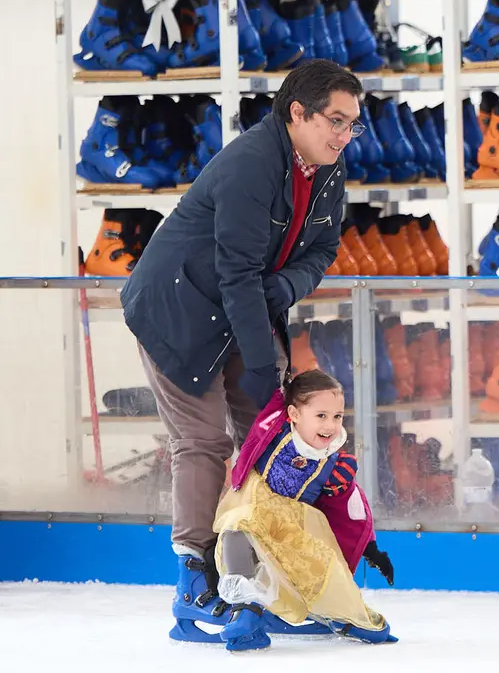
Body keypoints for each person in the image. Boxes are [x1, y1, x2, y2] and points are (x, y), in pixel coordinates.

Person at [120, 59, 363, 642]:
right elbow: (236, 274)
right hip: (177, 312)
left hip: (242, 310)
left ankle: (267, 582)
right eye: (335, 120)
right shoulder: (252, 164)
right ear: (296, 113)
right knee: (205, 441)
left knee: (276, 442)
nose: (344, 135)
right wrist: (261, 361)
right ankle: (195, 586)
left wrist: (287, 287)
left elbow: (323, 248)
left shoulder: (327, 166)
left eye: (353, 123)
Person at [213, 370, 396, 650]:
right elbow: (259, 378)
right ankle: (245, 610)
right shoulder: (273, 429)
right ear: (294, 414)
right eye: (321, 415)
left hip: (295, 525)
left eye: (337, 416)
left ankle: (351, 619)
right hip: (254, 505)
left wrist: (370, 547)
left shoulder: (335, 461)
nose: (331, 425)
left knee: (323, 570)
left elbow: (349, 507)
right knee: (237, 526)